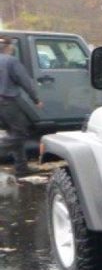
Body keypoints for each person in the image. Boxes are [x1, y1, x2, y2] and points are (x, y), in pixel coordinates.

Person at [0, 36, 44, 175]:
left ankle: (21, 168)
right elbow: (25, 81)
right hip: (8, 101)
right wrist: (35, 99)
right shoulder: (11, 61)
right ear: (9, 47)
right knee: (20, 133)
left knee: (13, 133)